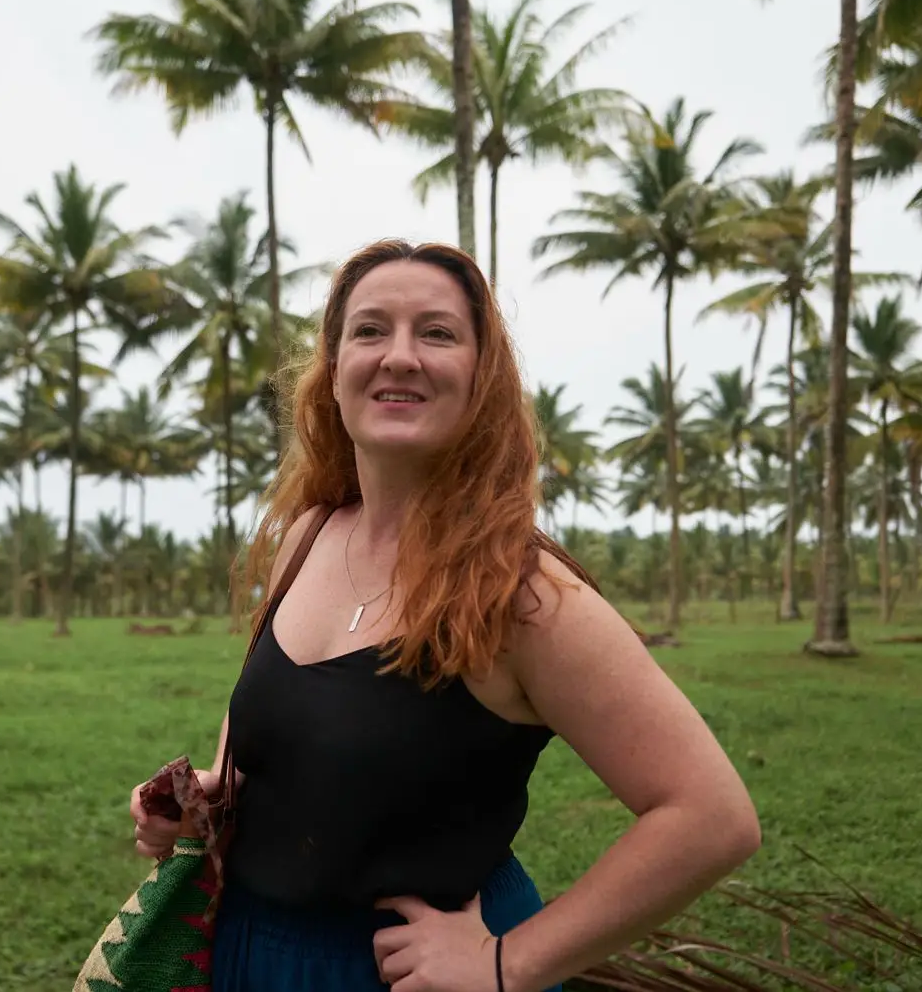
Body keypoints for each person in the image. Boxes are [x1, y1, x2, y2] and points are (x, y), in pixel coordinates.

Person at [129, 239, 761, 992]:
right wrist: (209, 792)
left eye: (436, 332)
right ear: (332, 374)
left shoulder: (521, 593)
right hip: (249, 956)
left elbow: (711, 814)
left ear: (479, 377)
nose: (399, 355)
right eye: (369, 330)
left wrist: (505, 962)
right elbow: (272, 734)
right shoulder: (308, 538)